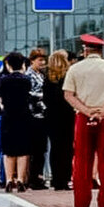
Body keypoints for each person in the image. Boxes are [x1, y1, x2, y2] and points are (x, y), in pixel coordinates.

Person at [63, 34, 104, 207]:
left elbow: (68, 94)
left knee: (81, 161)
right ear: (101, 50)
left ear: (86, 50)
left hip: (83, 117)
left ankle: (81, 205)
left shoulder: (75, 69)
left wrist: (87, 111)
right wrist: (103, 111)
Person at [0, 52, 33, 192]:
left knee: (8, 150)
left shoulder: (4, 80)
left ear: (8, 64)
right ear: (22, 64)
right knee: (23, 150)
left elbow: (0, 99)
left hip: (8, 116)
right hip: (24, 116)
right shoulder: (26, 80)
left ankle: (8, 179)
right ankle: (20, 180)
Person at [43, 51, 74, 191]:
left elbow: (45, 98)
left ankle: (56, 179)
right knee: (67, 148)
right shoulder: (69, 75)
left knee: (55, 148)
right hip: (67, 115)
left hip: (51, 116)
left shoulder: (47, 77)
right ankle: (65, 178)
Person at [26, 49, 50, 189]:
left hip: (42, 115)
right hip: (34, 115)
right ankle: (34, 177)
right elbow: (30, 95)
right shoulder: (30, 75)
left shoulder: (41, 74)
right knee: (36, 149)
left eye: (43, 60)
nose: (42, 63)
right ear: (32, 61)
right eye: (39, 60)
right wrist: (43, 96)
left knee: (41, 149)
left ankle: (38, 175)